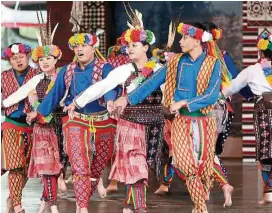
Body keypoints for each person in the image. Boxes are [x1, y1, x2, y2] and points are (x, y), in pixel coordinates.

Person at [63, 8, 168, 213]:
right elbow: (101, 87)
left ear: (146, 47)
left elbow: (169, 92)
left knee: (143, 166)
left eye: (134, 45)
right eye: (127, 46)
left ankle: (130, 204)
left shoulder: (159, 68)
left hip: (155, 124)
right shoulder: (124, 70)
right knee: (135, 164)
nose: (129, 49)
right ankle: (140, 208)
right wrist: (77, 102)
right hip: (131, 124)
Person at [114, 22, 222, 213]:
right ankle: (201, 206)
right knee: (185, 165)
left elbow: (212, 94)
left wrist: (184, 103)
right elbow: (152, 82)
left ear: (197, 40)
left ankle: (201, 200)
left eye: (185, 38)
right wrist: (127, 99)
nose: (181, 42)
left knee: (204, 169)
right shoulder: (175, 62)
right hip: (181, 121)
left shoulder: (213, 63)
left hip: (205, 122)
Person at [27, 25, 118, 212]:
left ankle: (82, 199)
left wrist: (110, 101)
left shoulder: (105, 67)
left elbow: (111, 88)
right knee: (79, 165)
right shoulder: (67, 71)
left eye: (84, 45)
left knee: (97, 168)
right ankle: (82, 206)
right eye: (76, 47)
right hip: (75, 120)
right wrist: (39, 112)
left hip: (103, 120)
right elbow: (54, 94)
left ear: (93, 48)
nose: (79, 49)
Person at [222, 31, 272, 204]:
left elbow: (230, 88)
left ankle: (269, 191)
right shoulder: (253, 70)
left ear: (260, 51)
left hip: (263, 110)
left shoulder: (252, 70)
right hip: (263, 110)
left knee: (265, 149)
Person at [1, 42, 38, 213]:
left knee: (25, 167)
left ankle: (13, 198)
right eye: (14, 58)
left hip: (32, 126)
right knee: (15, 165)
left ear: (27, 57)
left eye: (21, 57)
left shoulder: (37, 75)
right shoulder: (3, 77)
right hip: (11, 124)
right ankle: (17, 205)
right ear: (10, 61)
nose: (18, 61)